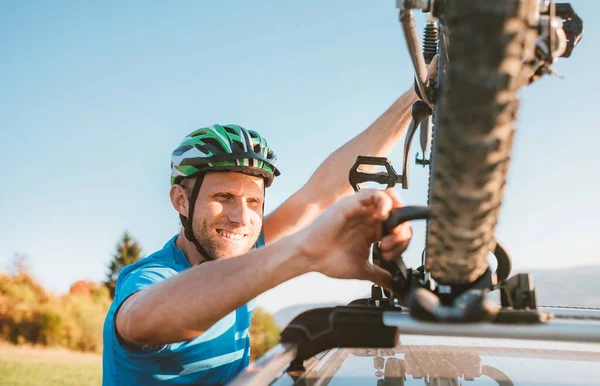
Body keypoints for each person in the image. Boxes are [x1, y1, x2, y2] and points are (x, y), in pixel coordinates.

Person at [102, 60, 436, 386]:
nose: (241, 217)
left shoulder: (245, 253)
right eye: (223, 197)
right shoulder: (151, 277)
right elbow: (141, 319)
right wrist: (304, 254)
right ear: (180, 200)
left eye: (254, 202)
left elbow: (322, 192)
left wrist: (416, 96)